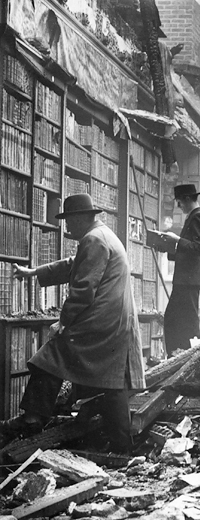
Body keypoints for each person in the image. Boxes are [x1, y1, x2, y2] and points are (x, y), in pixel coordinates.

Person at [1, 194, 145, 453]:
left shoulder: (93, 240)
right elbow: (74, 265)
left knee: (50, 357)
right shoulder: (102, 235)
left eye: (68, 220)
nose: (67, 227)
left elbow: (82, 289)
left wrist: (64, 322)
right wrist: (35, 272)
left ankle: (32, 419)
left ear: (80, 218)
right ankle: (124, 448)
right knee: (112, 383)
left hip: (101, 322)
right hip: (116, 321)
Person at [160, 184, 200, 355]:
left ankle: (187, 356)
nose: (178, 206)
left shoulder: (198, 217)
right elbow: (190, 249)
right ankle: (178, 355)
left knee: (184, 321)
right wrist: (168, 247)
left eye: (179, 202)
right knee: (177, 319)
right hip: (187, 279)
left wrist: (177, 240)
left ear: (188, 199)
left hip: (189, 279)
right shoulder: (193, 217)